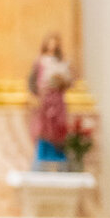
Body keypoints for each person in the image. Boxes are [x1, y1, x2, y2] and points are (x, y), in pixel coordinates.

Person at [28, 33, 73, 166]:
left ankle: (58, 157)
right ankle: (43, 157)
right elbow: (32, 82)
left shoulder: (61, 62)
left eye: (55, 43)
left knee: (58, 127)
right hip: (45, 100)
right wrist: (37, 95)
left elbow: (68, 81)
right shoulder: (39, 61)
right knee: (44, 128)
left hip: (58, 101)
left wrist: (61, 81)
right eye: (50, 42)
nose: (52, 45)